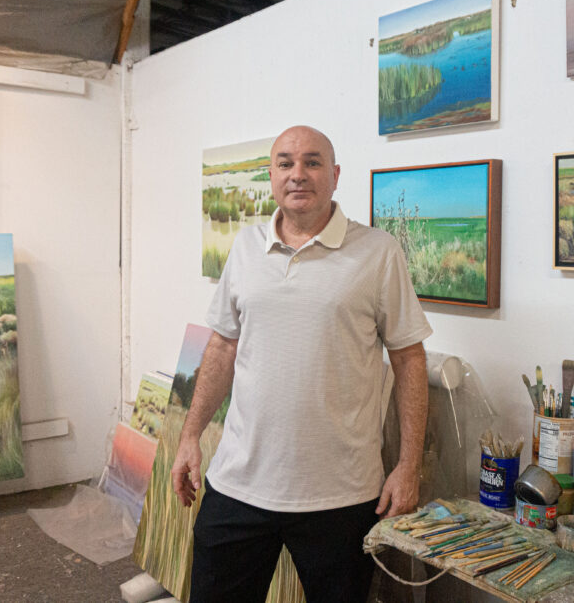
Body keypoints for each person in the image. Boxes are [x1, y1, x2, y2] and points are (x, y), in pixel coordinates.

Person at [171, 125, 432, 603]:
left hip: (342, 494)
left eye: (312, 162)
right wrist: (190, 435)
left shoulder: (377, 253)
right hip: (238, 486)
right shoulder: (246, 248)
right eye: (286, 163)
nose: (298, 174)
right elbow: (223, 347)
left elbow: (410, 358)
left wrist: (408, 465)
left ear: (334, 176)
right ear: (271, 176)